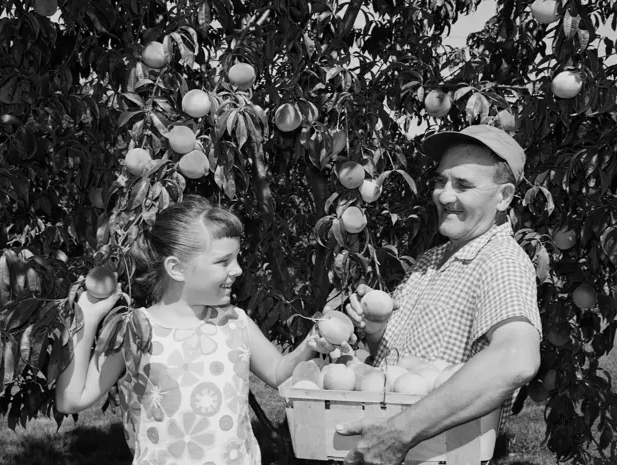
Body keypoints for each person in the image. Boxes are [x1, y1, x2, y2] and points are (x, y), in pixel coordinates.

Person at [55, 195, 349, 465]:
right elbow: (72, 399)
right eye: (223, 261)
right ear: (177, 269)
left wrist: (310, 344)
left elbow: (278, 373)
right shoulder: (137, 329)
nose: (237, 270)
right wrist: (88, 318)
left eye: (236, 258)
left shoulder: (236, 322)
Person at [337, 124, 543, 465]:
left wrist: (399, 433)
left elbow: (516, 359)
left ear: (504, 196)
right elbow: (402, 365)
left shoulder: (500, 260)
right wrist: (376, 329)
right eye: (440, 181)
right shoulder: (431, 260)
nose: (444, 195)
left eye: (463, 185)